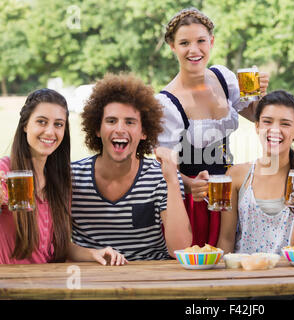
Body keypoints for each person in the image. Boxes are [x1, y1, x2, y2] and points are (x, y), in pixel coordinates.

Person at [156, 7, 270, 247]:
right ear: (172, 47)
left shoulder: (223, 77)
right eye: (184, 43)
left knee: (233, 261)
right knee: (199, 265)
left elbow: (253, 115)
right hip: (194, 202)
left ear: (212, 42)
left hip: (230, 194)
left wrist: (259, 95)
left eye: (201, 41)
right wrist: (190, 183)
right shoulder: (167, 102)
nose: (194, 50)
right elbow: (162, 164)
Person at [71, 73, 192, 261]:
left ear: (144, 132)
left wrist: (172, 181)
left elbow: (180, 248)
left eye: (130, 122)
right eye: (111, 121)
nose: (120, 129)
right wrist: (92, 254)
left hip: (149, 279)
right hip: (93, 281)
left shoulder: (159, 177)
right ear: (97, 128)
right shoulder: (73, 176)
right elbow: (59, 244)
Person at [0, 88, 126, 265]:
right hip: (11, 286)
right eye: (42, 122)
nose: (50, 132)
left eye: (58, 124)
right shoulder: (6, 172)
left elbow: (59, 246)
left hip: (48, 285)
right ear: (25, 125)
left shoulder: (59, 179)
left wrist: (94, 253)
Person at [217, 90, 294, 254]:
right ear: (257, 127)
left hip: (288, 275)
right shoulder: (237, 175)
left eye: (285, 124)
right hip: (245, 274)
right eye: (267, 122)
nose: (275, 130)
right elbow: (226, 238)